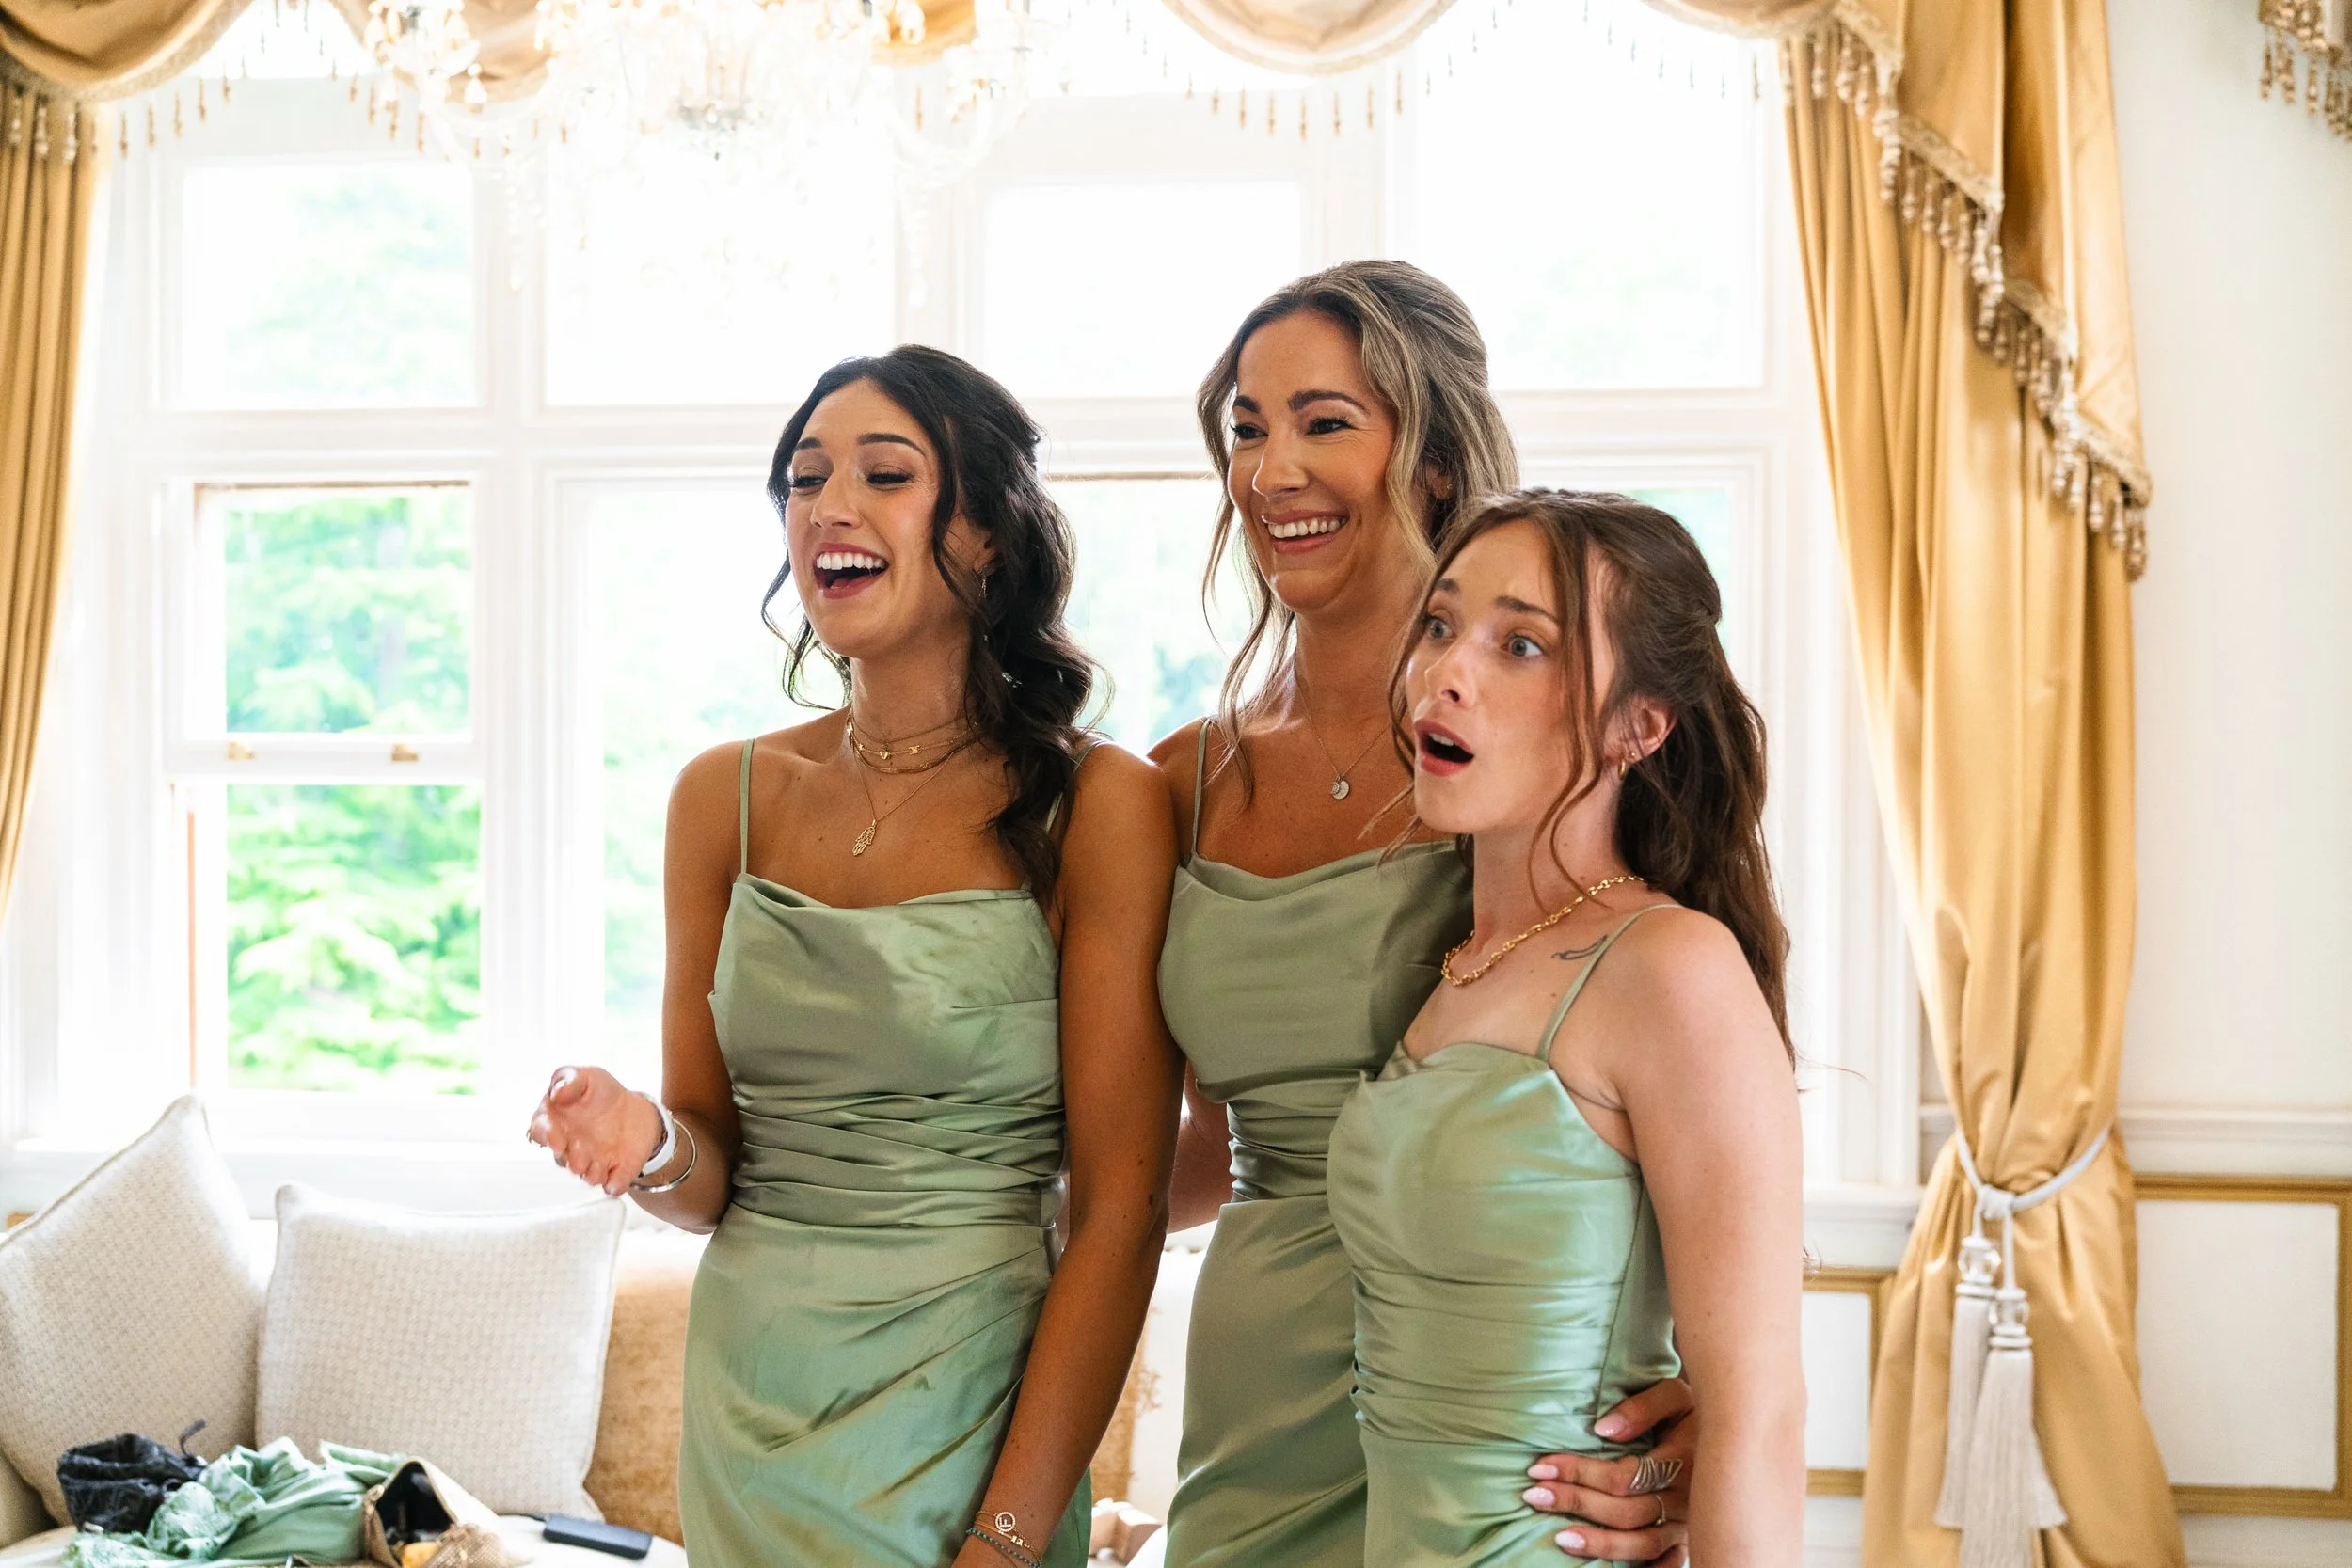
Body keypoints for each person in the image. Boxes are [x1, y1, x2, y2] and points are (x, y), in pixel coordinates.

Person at [527, 346, 1184, 1568]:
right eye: (803, 475)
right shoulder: (719, 797)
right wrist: (647, 1138)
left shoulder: (1101, 804)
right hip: (750, 1415)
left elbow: (1120, 1209)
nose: (828, 503)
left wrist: (1006, 1531)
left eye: (885, 473)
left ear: (986, 532)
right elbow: (711, 1173)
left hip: (963, 1413)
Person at [1152, 263, 1701, 1568]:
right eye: (1245, 426)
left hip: (1506, 1401)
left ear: (1437, 460)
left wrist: (1721, 1398)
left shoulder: (1550, 746)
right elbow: (1190, 1149)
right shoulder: (1179, 780)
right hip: (1261, 1398)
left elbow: (1703, 1075)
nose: (1272, 466)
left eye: (1325, 421)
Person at [1327, 489, 1805, 1566]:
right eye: (1441, 625)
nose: (1445, 672)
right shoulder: (1449, 965)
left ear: (1639, 725)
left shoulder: (1669, 968)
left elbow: (1760, 1417)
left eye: (1522, 645)